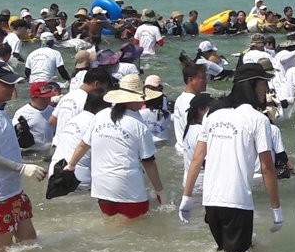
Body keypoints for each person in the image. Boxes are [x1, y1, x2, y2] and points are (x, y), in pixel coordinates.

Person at [179, 64, 283, 252]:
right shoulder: (258, 119)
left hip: (210, 203)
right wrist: (276, 209)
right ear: (252, 85)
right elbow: (267, 167)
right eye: (264, 83)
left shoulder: (213, 114)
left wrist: (187, 197)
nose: (267, 89)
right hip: (237, 202)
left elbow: (197, 158)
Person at [65, 74, 163, 219]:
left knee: (111, 226)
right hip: (129, 190)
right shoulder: (139, 125)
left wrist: (70, 166)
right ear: (135, 99)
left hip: (101, 188)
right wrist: (160, 191)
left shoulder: (101, 115)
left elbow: (84, 144)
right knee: (136, 231)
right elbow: (149, 163)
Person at [0, 61, 45, 249]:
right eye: (7, 84)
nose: (12, 89)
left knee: (29, 242)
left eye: (13, 84)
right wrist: (22, 168)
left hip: (13, 190)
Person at [13, 82, 59, 154]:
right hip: (32, 153)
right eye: (44, 98)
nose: (47, 101)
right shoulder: (22, 113)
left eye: (49, 97)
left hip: (49, 151)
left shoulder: (52, 111)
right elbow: (14, 137)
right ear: (33, 97)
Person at [172, 63, 208, 155]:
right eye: (202, 78)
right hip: (190, 152)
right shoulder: (193, 103)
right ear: (190, 80)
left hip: (181, 149)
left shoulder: (180, 98)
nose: (206, 81)